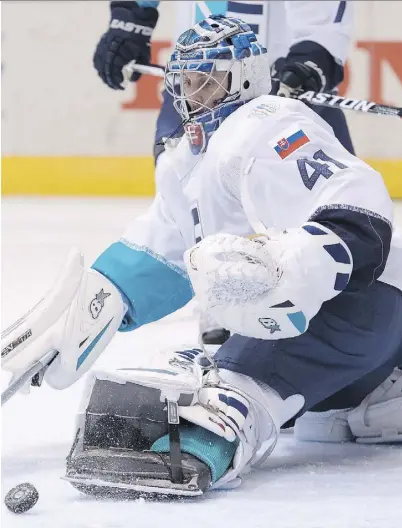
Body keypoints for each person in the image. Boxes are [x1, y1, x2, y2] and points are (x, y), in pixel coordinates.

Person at [6, 16, 402, 499]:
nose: (193, 95)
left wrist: (283, 266)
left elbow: (358, 212)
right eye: (187, 82)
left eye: (207, 81)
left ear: (248, 77)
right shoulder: (189, 161)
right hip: (358, 333)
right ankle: (393, 385)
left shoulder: (271, 122)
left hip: (360, 303)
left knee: (234, 378)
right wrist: (85, 311)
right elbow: (162, 248)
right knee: (316, 407)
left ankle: (212, 431)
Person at [93, 0, 356, 345]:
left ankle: (341, 322)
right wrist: (132, 15)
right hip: (204, 77)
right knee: (187, 181)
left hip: (284, 75)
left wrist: (316, 50)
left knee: (332, 209)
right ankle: (220, 296)